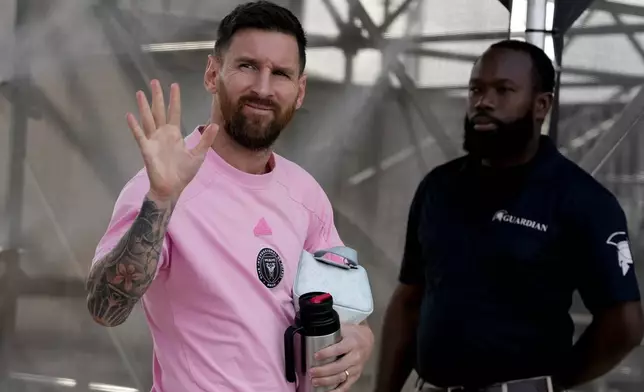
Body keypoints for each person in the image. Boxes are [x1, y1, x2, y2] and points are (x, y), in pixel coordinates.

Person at [85, 2, 374, 391]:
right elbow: (105, 308)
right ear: (212, 72)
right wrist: (161, 200)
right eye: (247, 66)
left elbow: (343, 305)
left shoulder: (305, 193)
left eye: (281, 74)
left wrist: (362, 339)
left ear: (300, 90)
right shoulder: (161, 185)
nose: (263, 87)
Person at [374, 39, 644, 392]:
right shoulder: (438, 188)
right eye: (476, 89)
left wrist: (551, 383)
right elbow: (410, 299)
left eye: (503, 90)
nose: (484, 102)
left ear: (541, 105)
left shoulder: (583, 201)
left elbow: (624, 325)